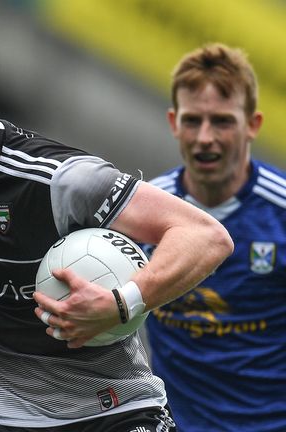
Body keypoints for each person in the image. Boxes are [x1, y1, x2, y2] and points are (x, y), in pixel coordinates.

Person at [0, 25, 233, 432]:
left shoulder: (62, 180)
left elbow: (205, 236)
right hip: (2, 414)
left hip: (114, 411)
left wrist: (122, 302)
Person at [141, 43, 286, 431]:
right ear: (173, 122)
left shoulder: (280, 212)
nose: (205, 137)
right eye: (193, 121)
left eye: (222, 121)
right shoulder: (142, 213)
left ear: (252, 124)